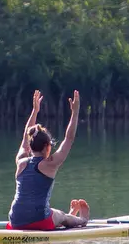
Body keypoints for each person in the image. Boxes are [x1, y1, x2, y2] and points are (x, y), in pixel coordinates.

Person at [8, 89, 89, 230]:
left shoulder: (20, 161)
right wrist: (75, 113)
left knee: (54, 213)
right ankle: (81, 220)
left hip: (15, 220)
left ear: (30, 145)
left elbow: (24, 139)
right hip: (39, 220)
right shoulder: (50, 164)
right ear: (47, 146)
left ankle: (68, 217)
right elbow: (69, 138)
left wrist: (35, 111)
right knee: (61, 215)